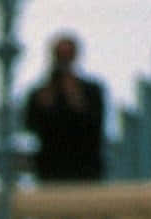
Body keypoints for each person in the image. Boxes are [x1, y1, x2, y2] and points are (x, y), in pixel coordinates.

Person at [24, 33, 107, 183]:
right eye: (60, 55)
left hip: (84, 168)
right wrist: (44, 105)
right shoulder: (40, 93)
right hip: (50, 169)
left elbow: (96, 125)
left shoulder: (91, 90)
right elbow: (29, 125)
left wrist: (77, 100)